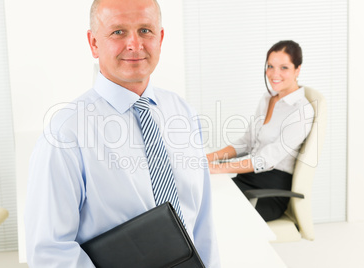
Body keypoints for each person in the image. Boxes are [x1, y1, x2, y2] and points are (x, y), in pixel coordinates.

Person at [24, 0, 220, 267]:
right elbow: (50, 252)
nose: (135, 45)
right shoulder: (65, 134)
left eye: (145, 30)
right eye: (118, 32)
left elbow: (202, 223)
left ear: (160, 38)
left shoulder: (183, 113)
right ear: (93, 43)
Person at [207, 40, 314, 222]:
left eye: (284, 68)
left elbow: (267, 159)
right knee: (201, 198)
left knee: (214, 214)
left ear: (298, 70)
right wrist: (210, 157)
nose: (274, 74)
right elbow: (247, 142)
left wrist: (219, 168)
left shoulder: (301, 112)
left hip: (268, 192)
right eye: (270, 66)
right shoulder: (267, 99)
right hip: (247, 180)